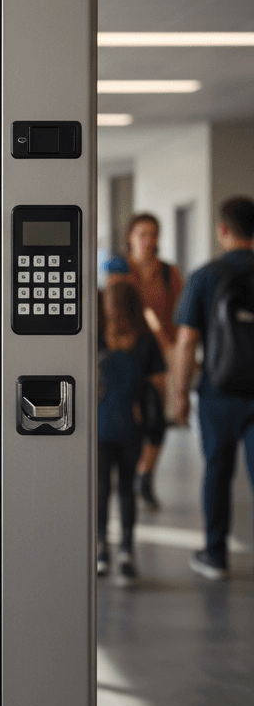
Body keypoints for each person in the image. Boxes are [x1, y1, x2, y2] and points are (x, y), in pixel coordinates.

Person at [172, 196, 254, 580]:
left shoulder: (206, 276)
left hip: (218, 393)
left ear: (223, 230)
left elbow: (187, 342)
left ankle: (215, 554)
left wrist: (179, 393)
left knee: (217, 472)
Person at [108, 213, 184, 511]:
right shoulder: (119, 270)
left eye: (153, 233)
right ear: (130, 237)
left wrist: (175, 348)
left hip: (160, 352)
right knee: (127, 414)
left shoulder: (168, 272)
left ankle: (145, 474)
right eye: (142, 234)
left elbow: (177, 313)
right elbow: (113, 309)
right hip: (126, 350)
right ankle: (126, 474)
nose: (148, 240)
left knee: (156, 417)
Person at [97, 281, 166, 583]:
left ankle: (102, 549)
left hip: (101, 427)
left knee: (102, 489)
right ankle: (124, 550)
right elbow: (158, 388)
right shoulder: (145, 342)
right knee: (125, 489)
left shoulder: (96, 338)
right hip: (130, 427)